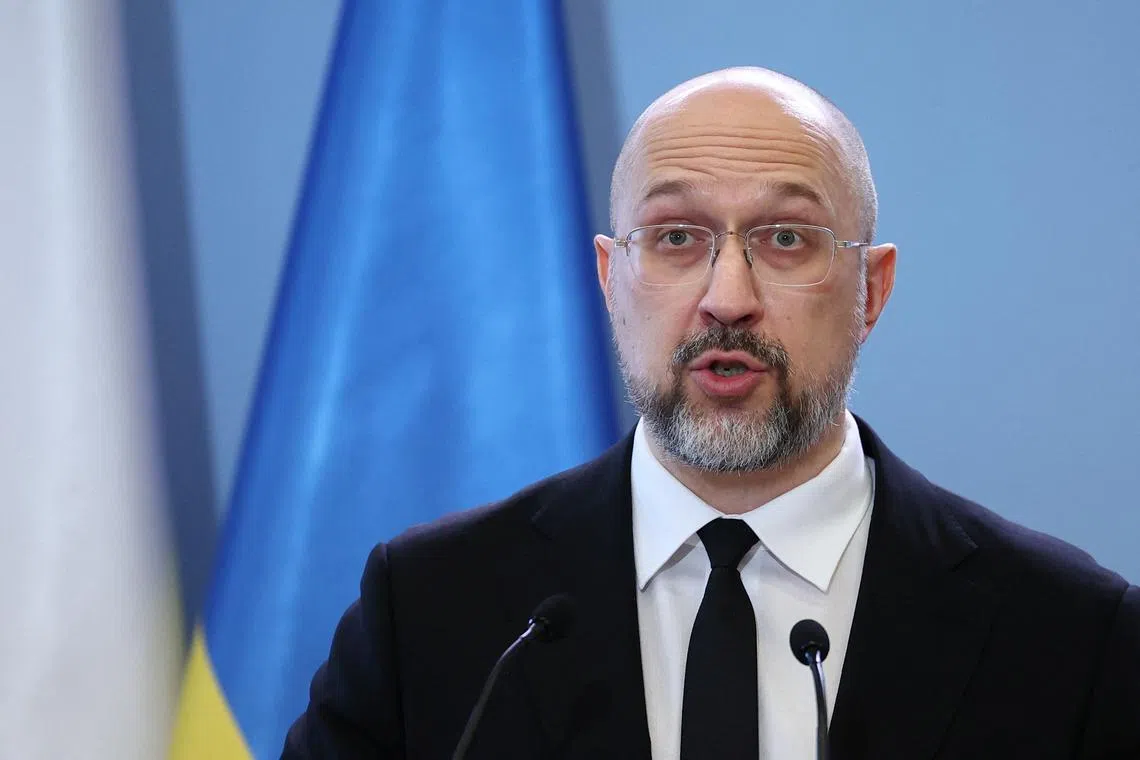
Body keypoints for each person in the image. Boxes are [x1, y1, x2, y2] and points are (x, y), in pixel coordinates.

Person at [282, 68, 1140, 759]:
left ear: (870, 291)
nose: (727, 300)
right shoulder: (435, 609)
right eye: (677, 238)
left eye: (787, 239)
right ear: (611, 279)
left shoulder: (1071, 635)